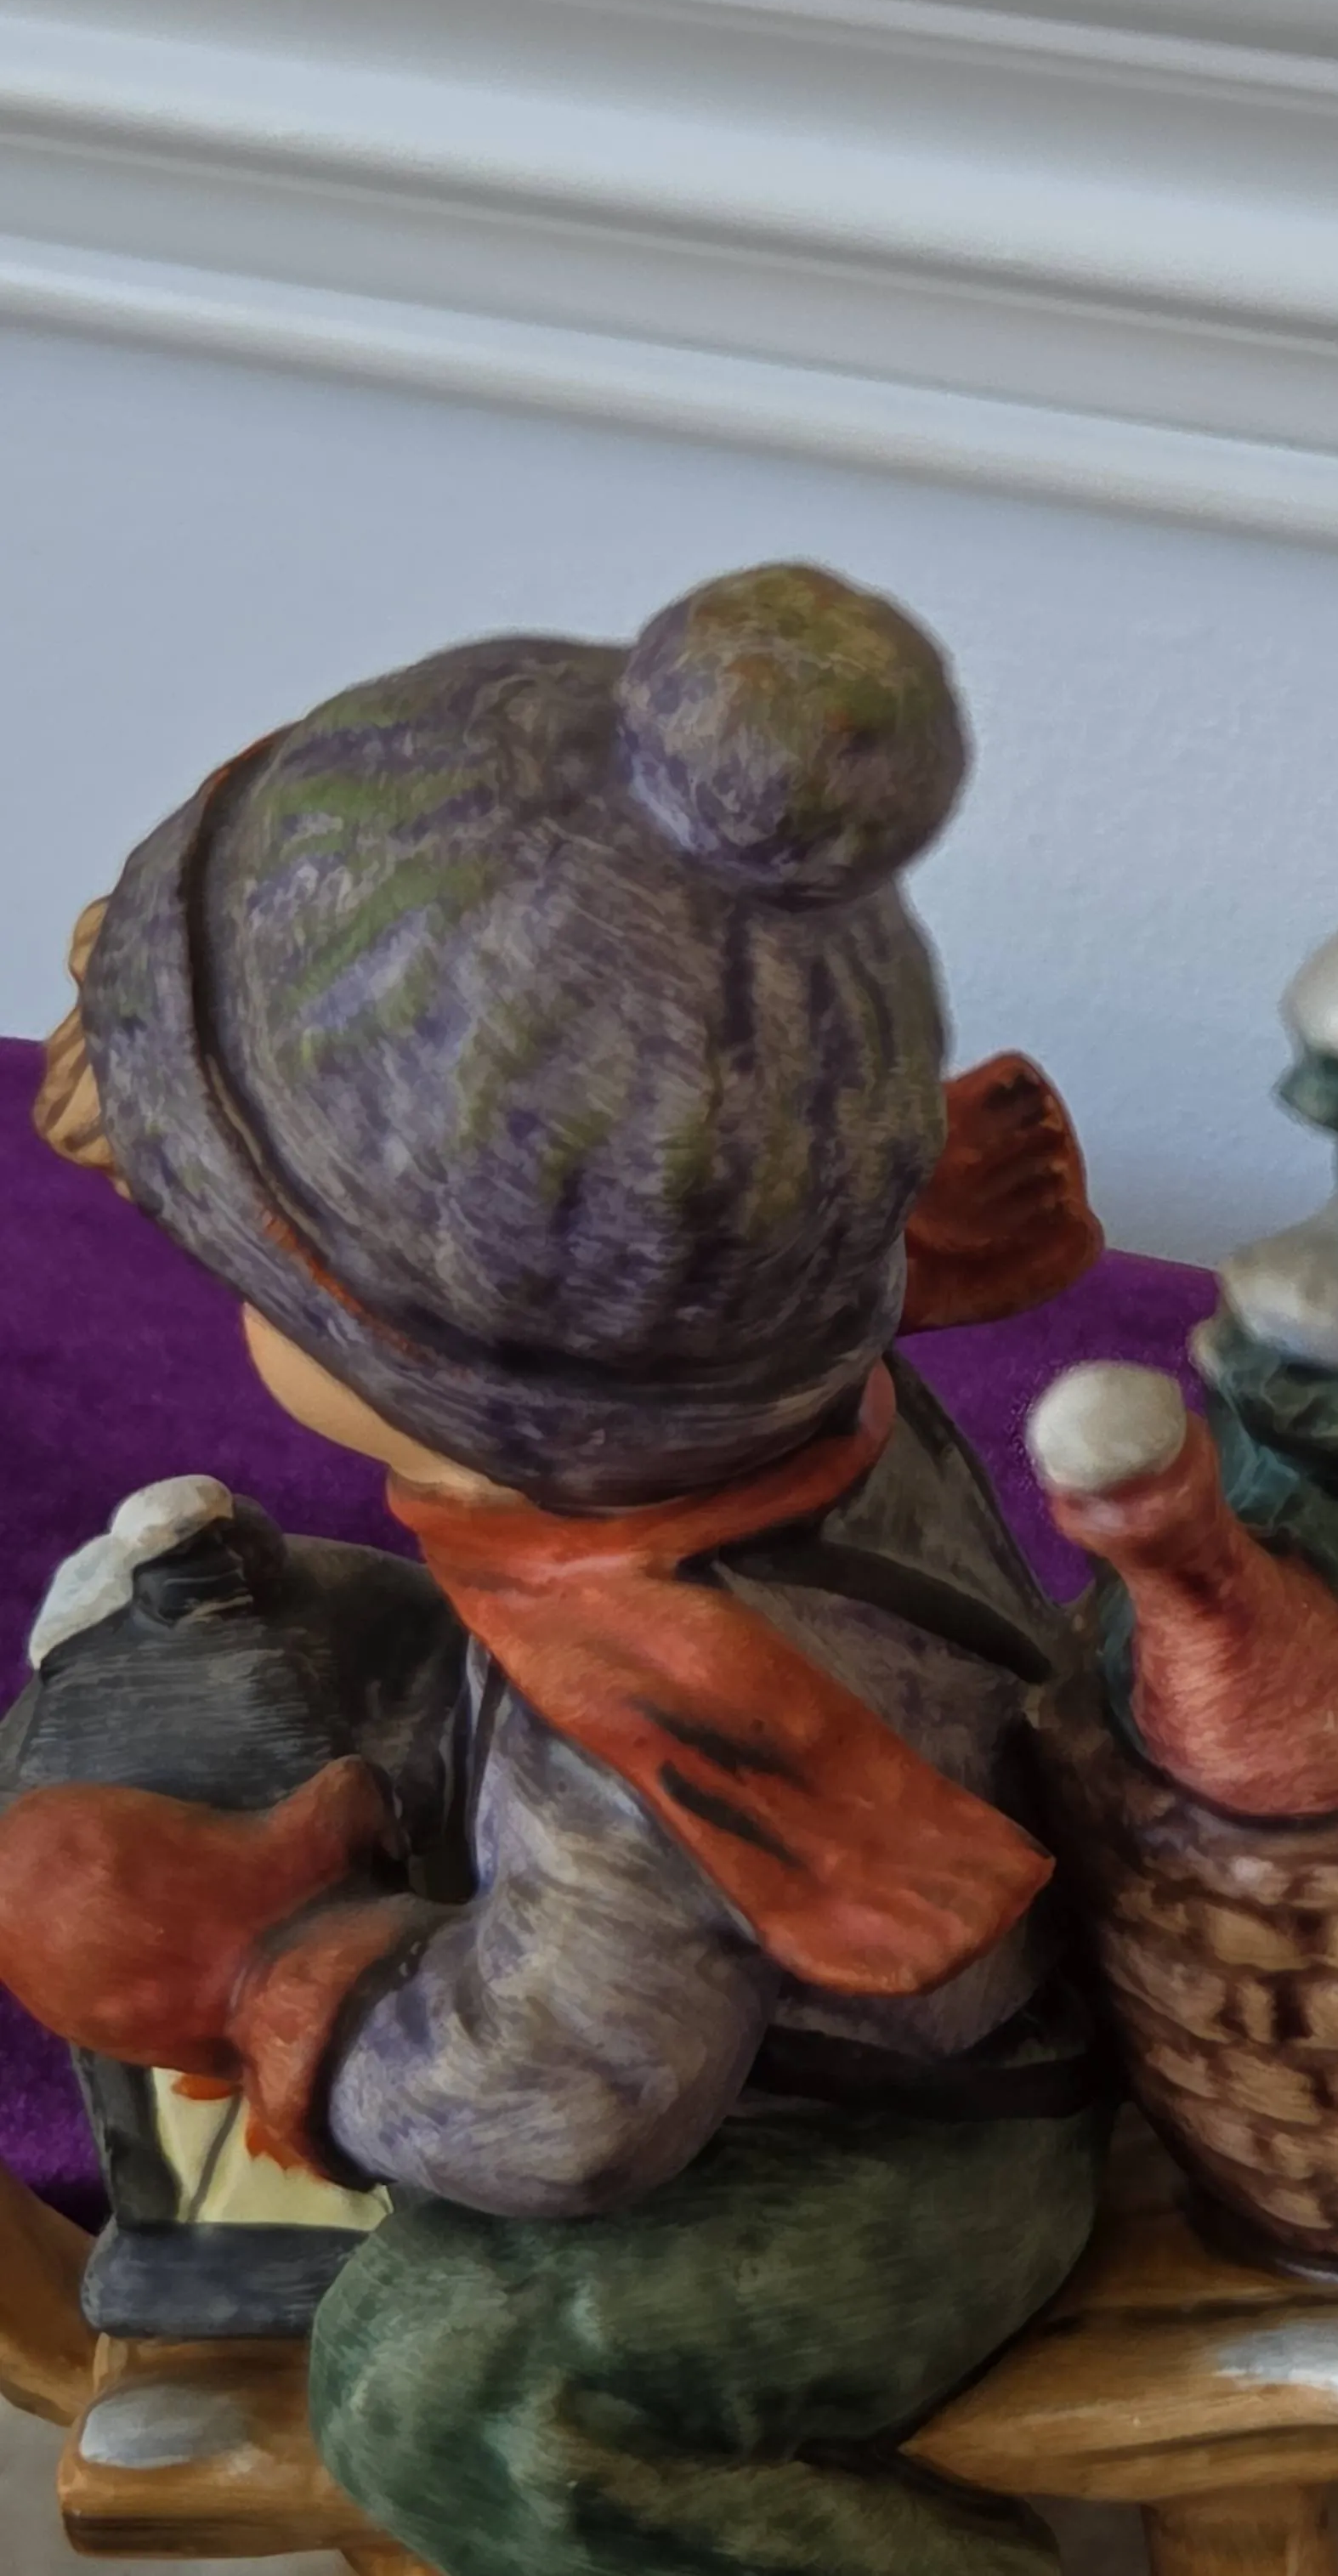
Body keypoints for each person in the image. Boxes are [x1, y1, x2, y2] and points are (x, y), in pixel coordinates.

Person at [0, 563, 1108, 2576]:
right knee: (280, 1654)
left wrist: (285, 1986)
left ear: (460, 1379)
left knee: (447, 2395)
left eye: (259, 1285)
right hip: (740, 1950)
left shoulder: (667, 1693)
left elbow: (572, 2098)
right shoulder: (730, 1414)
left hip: (901, 2135)